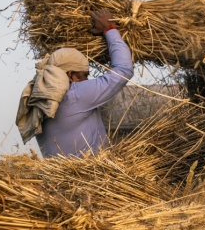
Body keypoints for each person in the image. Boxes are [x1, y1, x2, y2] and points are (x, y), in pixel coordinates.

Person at [16, 10, 134, 158]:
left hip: (62, 178)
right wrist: (109, 28)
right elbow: (124, 70)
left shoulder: (40, 103)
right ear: (70, 75)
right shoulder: (75, 95)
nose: (87, 82)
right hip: (95, 177)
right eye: (84, 76)